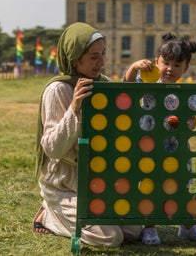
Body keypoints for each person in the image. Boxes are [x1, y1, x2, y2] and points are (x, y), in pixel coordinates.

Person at [33, 22, 142, 247]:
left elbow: (120, 122)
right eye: (93, 57)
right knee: (110, 237)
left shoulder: (103, 85)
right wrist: (74, 108)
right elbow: (53, 148)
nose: (101, 62)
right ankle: (49, 215)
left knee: (134, 230)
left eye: (102, 54)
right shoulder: (58, 90)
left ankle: (82, 213)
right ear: (75, 59)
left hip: (95, 180)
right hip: (64, 183)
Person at [123, 32, 196, 245]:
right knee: (150, 187)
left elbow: (193, 121)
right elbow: (125, 87)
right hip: (150, 148)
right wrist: (134, 67)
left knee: (183, 186)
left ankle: (187, 226)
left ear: (186, 69)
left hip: (178, 150)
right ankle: (150, 228)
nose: (170, 68)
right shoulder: (147, 83)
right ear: (156, 62)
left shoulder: (185, 93)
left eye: (177, 65)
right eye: (166, 62)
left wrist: (186, 123)